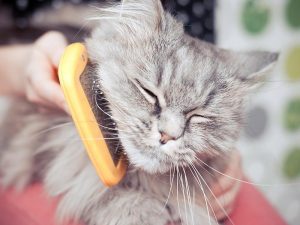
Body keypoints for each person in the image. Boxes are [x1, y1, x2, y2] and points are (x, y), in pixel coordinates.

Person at [0, 31, 242, 222]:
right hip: (32, 69)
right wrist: (21, 66)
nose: (169, 133)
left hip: (186, 170)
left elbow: (208, 61)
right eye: (149, 93)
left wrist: (221, 153)